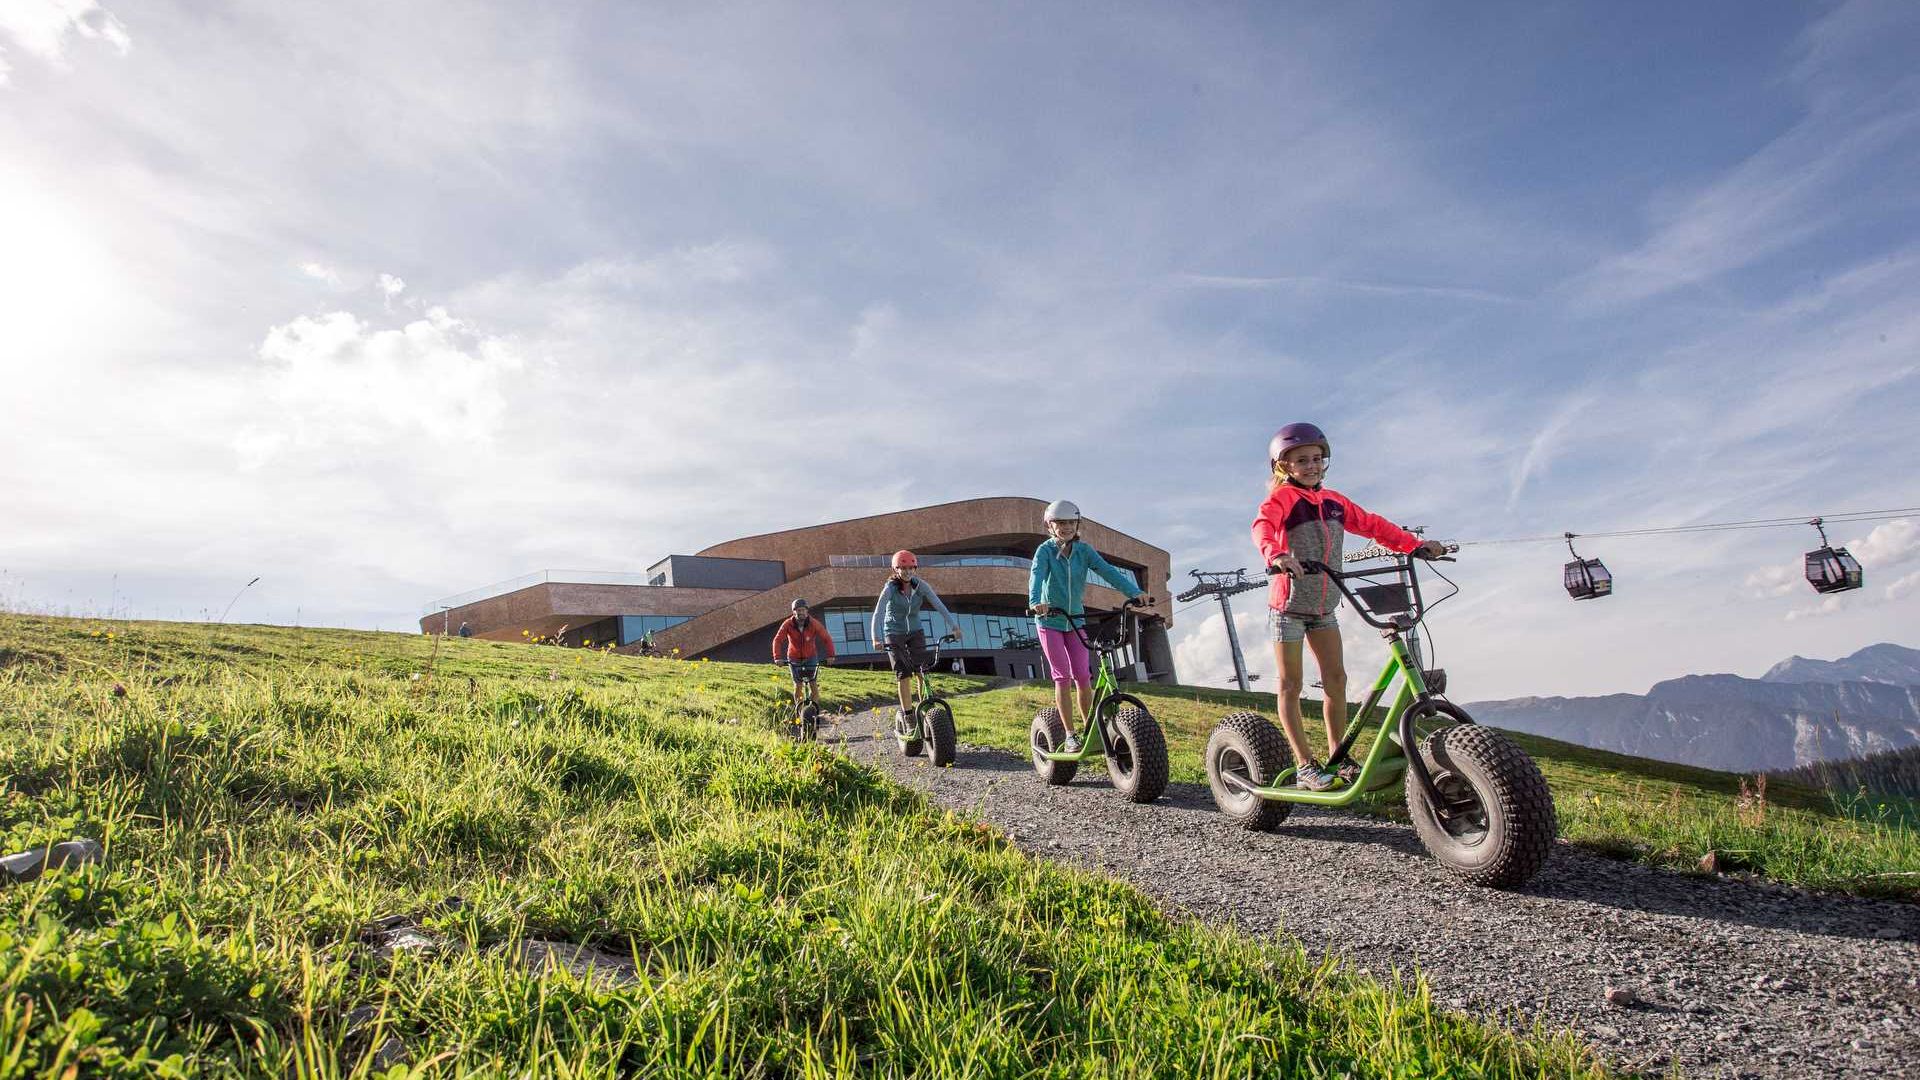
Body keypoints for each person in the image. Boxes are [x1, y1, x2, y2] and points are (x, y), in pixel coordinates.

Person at [1252, 423, 1448, 790]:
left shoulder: (1335, 503)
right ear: (1283, 467)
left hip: (1324, 605)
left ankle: (1338, 756)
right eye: (1301, 461)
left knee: (1336, 681)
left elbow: (1373, 525)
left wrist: (1414, 545)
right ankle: (1305, 764)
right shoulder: (1281, 501)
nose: (1311, 466)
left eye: (1316, 459)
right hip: (1289, 607)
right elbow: (1263, 528)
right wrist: (1276, 554)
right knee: (1291, 684)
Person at [1028, 500, 1155, 752]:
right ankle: (1070, 734)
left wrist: (1135, 592)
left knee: (1083, 676)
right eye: (1060, 523)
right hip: (1049, 620)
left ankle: (1089, 728)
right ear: (1050, 526)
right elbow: (1037, 575)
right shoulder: (1044, 551)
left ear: (1078, 525)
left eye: (1070, 523)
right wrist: (1036, 601)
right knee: (1062, 676)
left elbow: (1108, 572)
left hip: (1075, 619)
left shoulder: (1084, 551)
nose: (1065, 528)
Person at [871, 551, 962, 728]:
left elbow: (938, 604)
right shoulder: (890, 588)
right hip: (894, 632)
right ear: (895, 569)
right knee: (903, 674)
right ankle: (908, 716)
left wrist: (955, 626)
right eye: (902, 568)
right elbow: (878, 612)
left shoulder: (921, 586)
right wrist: (876, 638)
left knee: (922, 671)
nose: (907, 572)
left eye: (910, 568)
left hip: (915, 631)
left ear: (915, 568)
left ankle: (926, 711)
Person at [772, 598, 835, 711]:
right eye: (798, 610)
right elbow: (777, 640)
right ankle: (800, 712)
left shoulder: (814, 623)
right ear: (793, 612)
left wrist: (831, 655)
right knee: (798, 686)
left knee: (813, 685)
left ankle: (812, 711)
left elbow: (827, 638)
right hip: (794, 658)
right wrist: (777, 658)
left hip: (811, 657)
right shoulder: (787, 624)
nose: (801, 612)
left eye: (803, 610)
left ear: (807, 611)